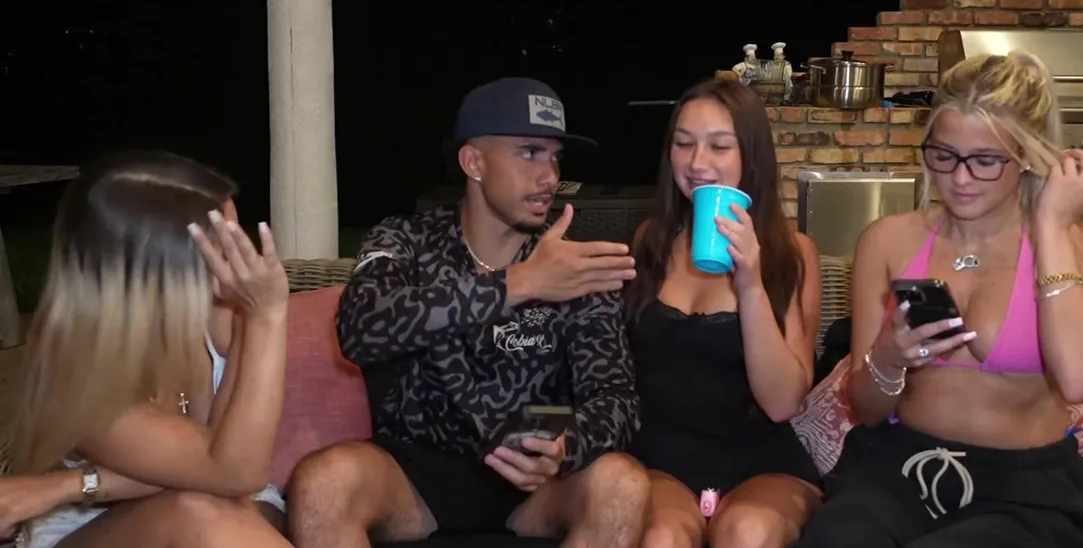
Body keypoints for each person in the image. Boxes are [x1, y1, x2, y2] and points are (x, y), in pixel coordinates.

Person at [287, 78, 650, 548]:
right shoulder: (406, 240)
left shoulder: (572, 264)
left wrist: (567, 445)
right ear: (473, 162)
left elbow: (615, 396)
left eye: (554, 157)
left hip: (534, 479)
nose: (549, 176)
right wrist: (518, 284)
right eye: (529, 152)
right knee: (322, 482)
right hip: (413, 473)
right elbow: (362, 328)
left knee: (623, 485)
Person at [796, 51, 1083, 548]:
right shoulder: (888, 240)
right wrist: (888, 357)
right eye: (944, 155)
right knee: (836, 537)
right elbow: (867, 410)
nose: (960, 179)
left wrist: (1052, 228)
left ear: (1027, 156)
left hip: (1027, 490)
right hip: (901, 468)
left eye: (985, 161)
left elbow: (1079, 381)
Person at [0, 151, 292, 547]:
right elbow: (232, 471)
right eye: (224, 241)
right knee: (201, 512)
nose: (241, 255)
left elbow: (228, 473)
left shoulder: (221, 307)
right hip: (96, 528)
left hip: (222, 506)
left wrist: (68, 484)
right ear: (163, 273)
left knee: (213, 509)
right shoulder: (78, 368)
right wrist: (266, 318)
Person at [625, 79, 823, 548]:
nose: (697, 163)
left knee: (748, 533)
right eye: (683, 144)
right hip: (660, 460)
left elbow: (783, 403)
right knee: (661, 538)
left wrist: (750, 284)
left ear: (750, 157)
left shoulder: (792, 253)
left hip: (761, 464)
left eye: (719, 146)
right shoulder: (650, 240)